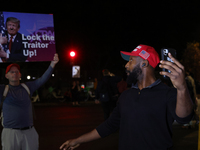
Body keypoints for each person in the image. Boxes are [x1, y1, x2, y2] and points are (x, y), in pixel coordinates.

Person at [60, 44, 194, 150]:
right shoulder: (126, 96)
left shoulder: (167, 93)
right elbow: (109, 126)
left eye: (130, 60)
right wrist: (78, 140)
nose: (126, 65)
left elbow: (184, 118)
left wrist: (182, 88)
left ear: (144, 63)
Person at [0, 53, 59, 150]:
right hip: (10, 133)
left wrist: (52, 64)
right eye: (11, 72)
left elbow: (42, 79)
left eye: (17, 71)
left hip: (29, 132)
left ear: (20, 74)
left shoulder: (27, 87)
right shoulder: (3, 89)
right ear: (6, 76)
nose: (14, 73)